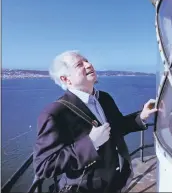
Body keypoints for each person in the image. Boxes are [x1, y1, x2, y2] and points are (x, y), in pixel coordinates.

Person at [33, 50, 157, 193]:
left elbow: (117, 128)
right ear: (66, 79)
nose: (88, 64)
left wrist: (141, 116)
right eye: (79, 64)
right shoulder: (56, 113)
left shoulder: (104, 98)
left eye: (87, 60)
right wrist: (91, 143)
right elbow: (43, 165)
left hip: (116, 182)